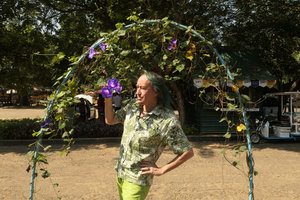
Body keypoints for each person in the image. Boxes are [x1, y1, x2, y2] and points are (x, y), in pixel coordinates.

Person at [104, 71, 194, 200]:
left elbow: (187, 152)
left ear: (156, 91)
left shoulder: (167, 121)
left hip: (137, 179)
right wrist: (108, 97)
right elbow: (110, 120)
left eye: (143, 88)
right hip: (120, 173)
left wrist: (162, 169)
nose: (137, 92)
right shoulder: (133, 106)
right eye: (137, 87)